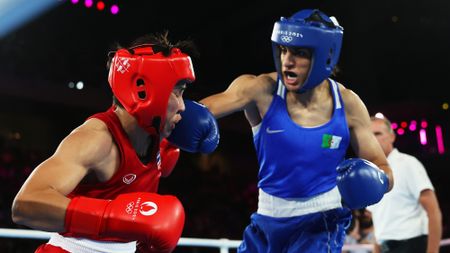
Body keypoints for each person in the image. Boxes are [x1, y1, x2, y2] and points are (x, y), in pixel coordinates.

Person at [198, 9, 394, 252]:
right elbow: (201, 111)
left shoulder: (348, 104)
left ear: (325, 56)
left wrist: (375, 182)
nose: (287, 61)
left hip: (320, 223)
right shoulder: (261, 90)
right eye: (283, 50)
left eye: (300, 53)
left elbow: (383, 167)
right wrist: (180, 118)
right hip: (266, 219)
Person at [11, 32, 219, 253]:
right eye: (176, 93)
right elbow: (25, 205)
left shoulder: (157, 133)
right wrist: (112, 216)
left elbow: (218, 105)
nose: (183, 106)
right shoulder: (97, 139)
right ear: (147, 93)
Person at [367, 114, 442, 253]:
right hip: (386, 247)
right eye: (370, 135)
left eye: (378, 133)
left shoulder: (408, 164)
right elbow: (378, 221)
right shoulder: (369, 173)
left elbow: (433, 211)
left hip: (412, 245)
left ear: (392, 137)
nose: (374, 139)